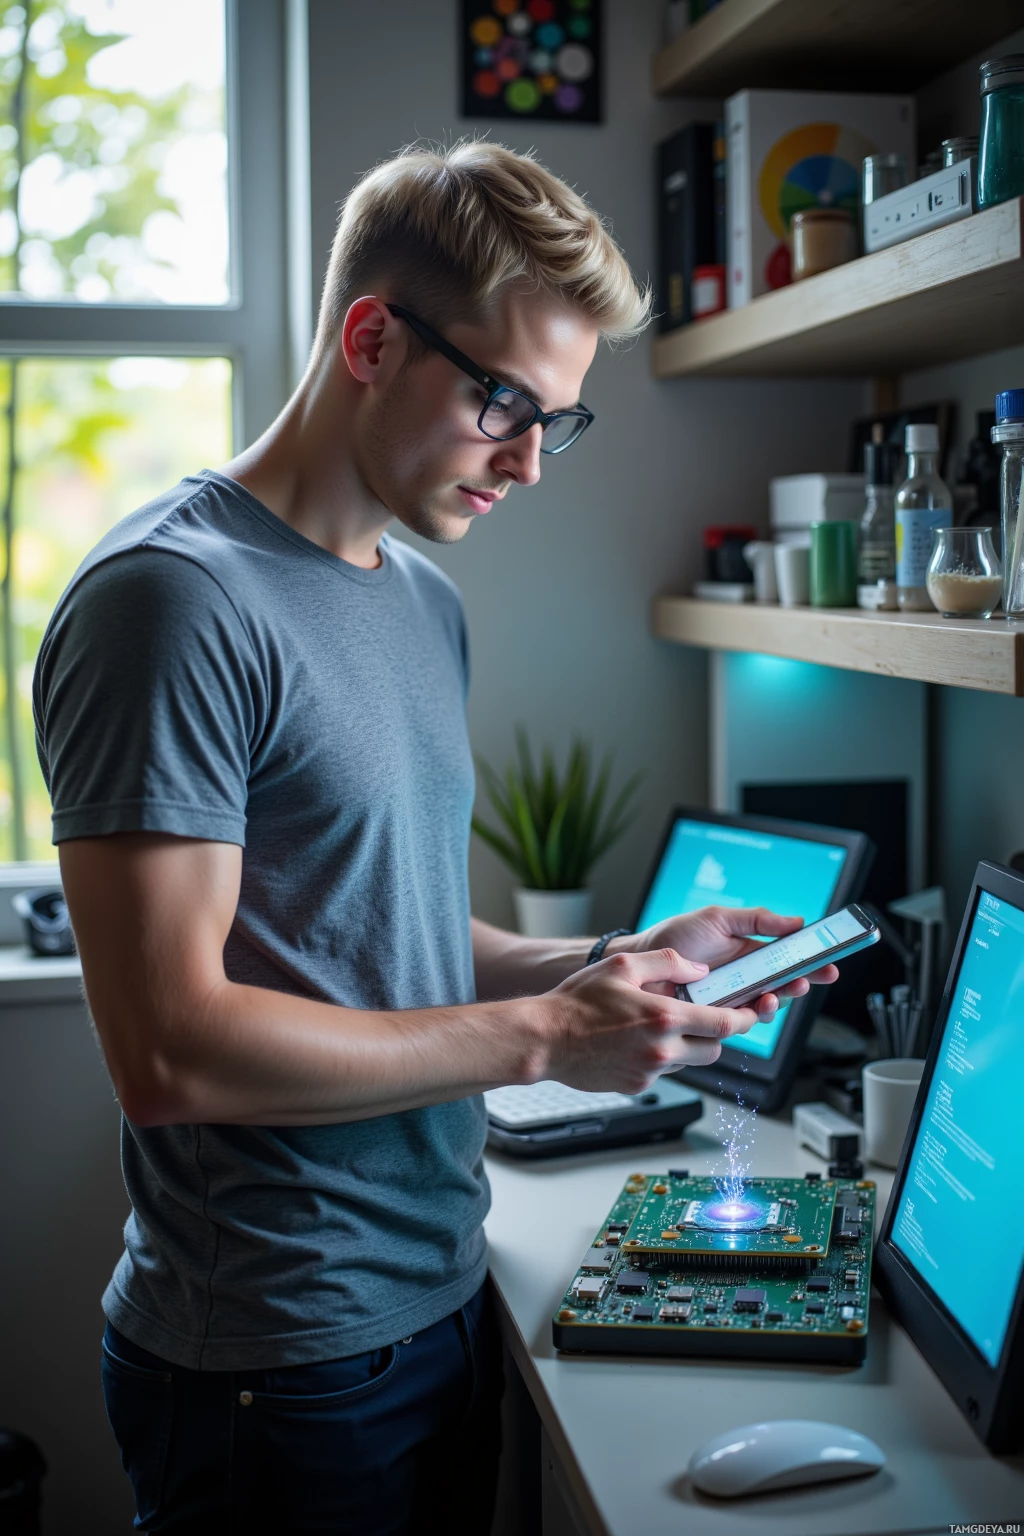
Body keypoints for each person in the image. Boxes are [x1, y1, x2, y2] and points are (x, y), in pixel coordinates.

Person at [34, 140, 837, 1534]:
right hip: (276, 1367)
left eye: (559, 422)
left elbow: (379, 939)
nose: (531, 462)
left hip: (442, 1302)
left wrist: (611, 957)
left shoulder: (421, 600)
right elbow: (165, 1050)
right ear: (369, 338)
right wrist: (546, 1041)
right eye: (506, 403)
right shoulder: (169, 603)